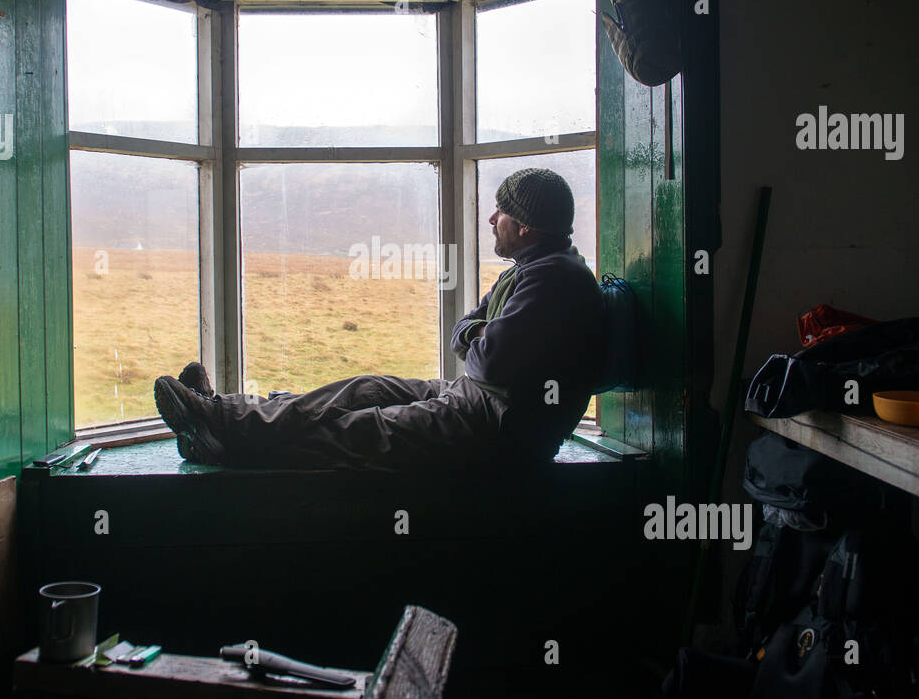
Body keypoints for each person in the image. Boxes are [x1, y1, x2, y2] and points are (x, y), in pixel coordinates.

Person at [154, 168, 605, 472]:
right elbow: (465, 333)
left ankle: (222, 437)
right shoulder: (534, 268)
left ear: (525, 226)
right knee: (365, 389)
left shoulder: (554, 281)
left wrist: (479, 336)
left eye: (501, 211)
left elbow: (485, 362)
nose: (491, 218)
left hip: (497, 429)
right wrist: (480, 333)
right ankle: (224, 414)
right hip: (476, 400)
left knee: (361, 430)